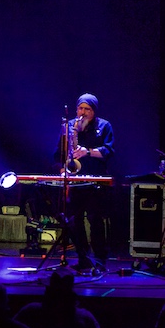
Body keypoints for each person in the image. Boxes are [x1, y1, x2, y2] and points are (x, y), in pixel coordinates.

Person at [52, 92, 114, 271]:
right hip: (75, 181)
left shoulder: (104, 126)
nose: (83, 112)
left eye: (87, 109)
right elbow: (58, 153)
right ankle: (82, 257)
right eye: (80, 108)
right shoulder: (70, 126)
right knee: (74, 220)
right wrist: (63, 168)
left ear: (94, 111)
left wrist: (87, 151)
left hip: (96, 181)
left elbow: (108, 152)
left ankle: (100, 259)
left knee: (95, 219)